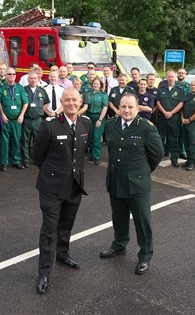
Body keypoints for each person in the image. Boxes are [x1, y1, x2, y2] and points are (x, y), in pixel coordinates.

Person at [33, 87, 92, 294]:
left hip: (75, 186)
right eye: (67, 100)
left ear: (80, 101)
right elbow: (37, 156)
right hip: (51, 188)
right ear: (61, 102)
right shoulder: (49, 126)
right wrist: (53, 173)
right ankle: (44, 273)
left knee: (66, 224)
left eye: (74, 100)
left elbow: (80, 153)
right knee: (49, 230)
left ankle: (63, 254)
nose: (71, 103)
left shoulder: (86, 123)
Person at [100, 93, 163, 275]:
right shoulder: (111, 125)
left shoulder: (146, 128)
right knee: (118, 216)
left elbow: (157, 154)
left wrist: (142, 171)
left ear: (138, 108)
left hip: (137, 184)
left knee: (142, 222)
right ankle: (119, 244)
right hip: (115, 180)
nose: (126, 110)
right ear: (118, 108)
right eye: (123, 107)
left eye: (130, 107)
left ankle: (145, 255)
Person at [0, 67, 29, 172]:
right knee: (4, 142)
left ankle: (16, 161)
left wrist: (22, 115)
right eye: (9, 74)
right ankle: (4, 163)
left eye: (13, 74)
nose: (11, 76)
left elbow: (26, 102)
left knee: (16, 141)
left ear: (15, 75)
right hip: (6, 120)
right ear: (5, 76)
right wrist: (2, 115)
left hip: (16, 120)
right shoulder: (1, 89)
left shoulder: (20, 88)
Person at [21, 71, 51, 168]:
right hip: (27, 119)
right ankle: (25, 160)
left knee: (38, 141)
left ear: (38, 79)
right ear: (28, 79)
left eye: (35, 78)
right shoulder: (23, 90)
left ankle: (37, 158)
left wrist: (40, 109)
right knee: (25, 141)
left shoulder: (42, 91)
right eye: (31, 78)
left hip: (38, 119)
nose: (33, 80)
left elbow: (46, 102)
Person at [156, 70, 186, 167]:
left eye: (172, 77)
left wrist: (171, 113)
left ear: (175, 77)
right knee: (160, 139)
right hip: (162, 118)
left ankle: (174, 159)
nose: (170, 78)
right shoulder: (161, 89)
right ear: (166, 77)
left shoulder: (180, 90)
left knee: (173, 139)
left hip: (174, 119)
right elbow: (158, 103)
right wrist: (165, 112)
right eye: (169, 77)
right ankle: (157, 158)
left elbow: (181, 103)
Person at [86, 77, 108, 165]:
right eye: (94, 83)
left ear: (100, 85)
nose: (95, 85)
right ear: (92, 85)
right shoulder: (88, 94)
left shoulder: (103, 95)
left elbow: (105, 107)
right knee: (90, 137)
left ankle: (97, 157)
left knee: (96, 138)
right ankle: (92, 154)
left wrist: (100, 119)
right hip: (89, 116)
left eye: (97, 84)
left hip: (98, 117)